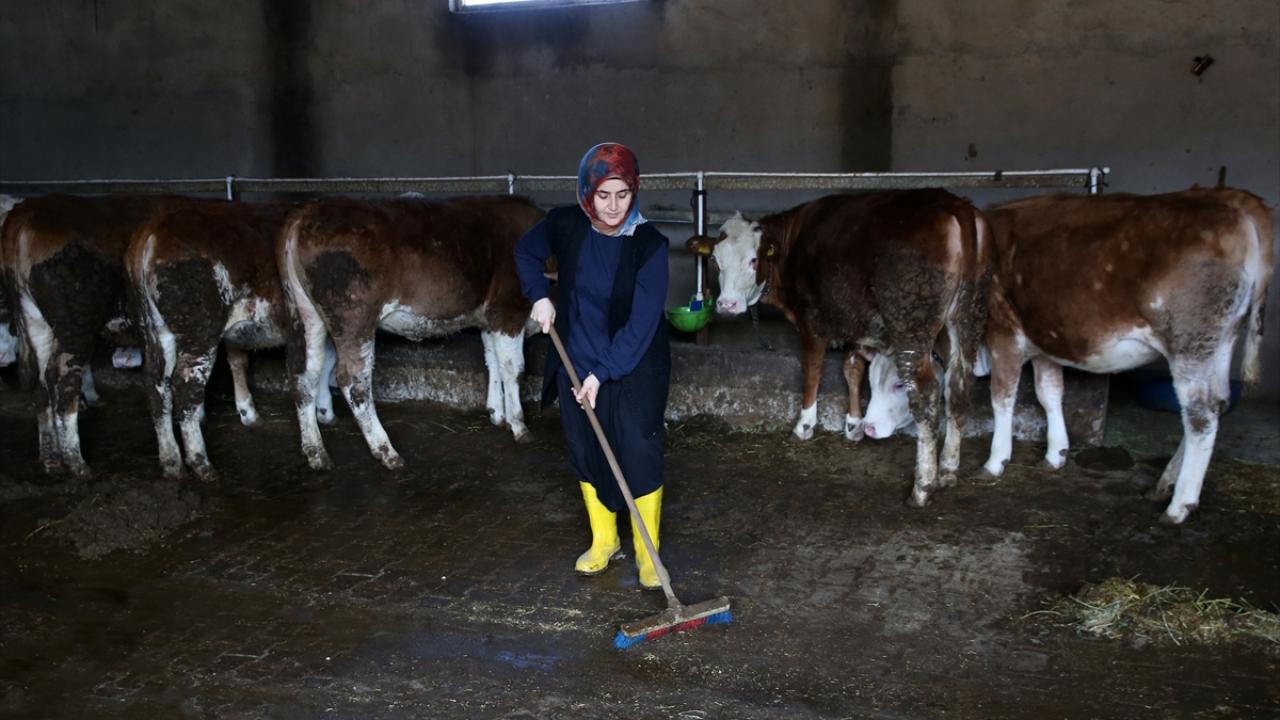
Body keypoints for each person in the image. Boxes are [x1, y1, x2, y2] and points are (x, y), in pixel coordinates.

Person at [514, 142, 671, 590]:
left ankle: (647, 552)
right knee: (585, 446)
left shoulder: (650, 245)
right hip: (575, 357)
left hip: (633, 363)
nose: (614, 206)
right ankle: (605, 541)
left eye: (623, 194)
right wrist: (540, 296)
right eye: (603, 194)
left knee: (638, 446)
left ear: (634, 190)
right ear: (587, 191)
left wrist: (602, 374)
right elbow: (526, 253)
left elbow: (641, 326)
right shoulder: (566, 224)